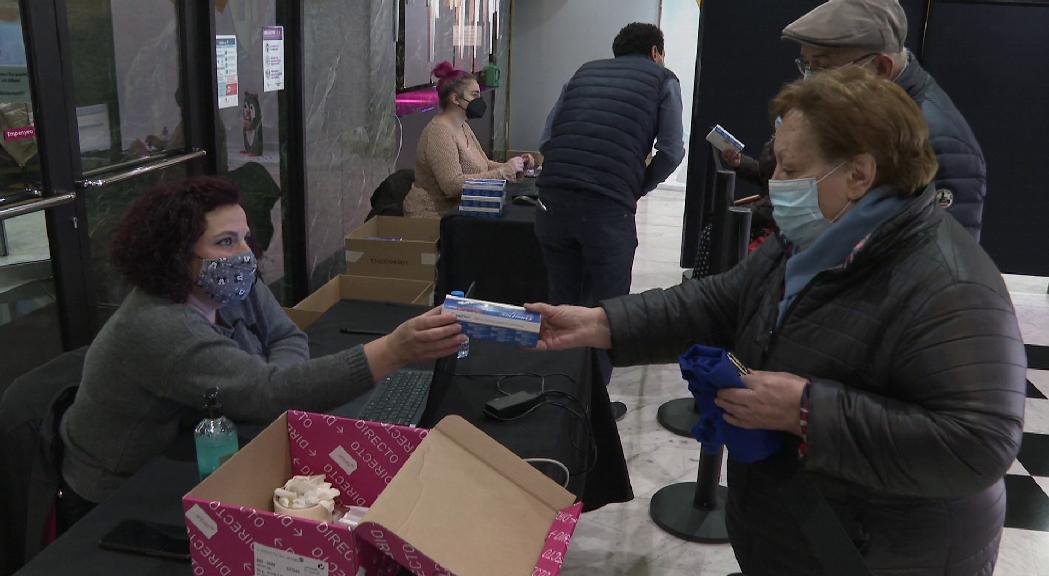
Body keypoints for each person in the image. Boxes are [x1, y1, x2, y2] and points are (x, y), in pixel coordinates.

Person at [526, 68, 1024, 575]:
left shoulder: (950, 283)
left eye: (789, 168)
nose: (773, 182)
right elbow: (723, 301)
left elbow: (980, 444)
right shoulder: (815, 238)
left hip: (880, 552)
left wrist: (807, 410)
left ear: (859, 174)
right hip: (796, 528)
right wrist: (604, 322)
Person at [58, 177, 465, 528]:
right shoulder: (158, 325)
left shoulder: (226, 283)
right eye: (225, 241)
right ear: (174, 254)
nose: (244, 253)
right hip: (122, 495)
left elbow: (287, 338)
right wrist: (393, 350)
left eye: (245, 237)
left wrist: (271, 386)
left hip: (193, 452)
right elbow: (270, 394)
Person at [723, 0, 987, 240]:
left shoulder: (940, 140)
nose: (810, 79)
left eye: (823, 66)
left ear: (880, 68)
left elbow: (944, 266)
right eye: (806, 65)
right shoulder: (855, 109)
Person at [535, 22, 685, 420]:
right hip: (606, 210)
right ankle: (592, 409)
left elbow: (547, 138)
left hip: (552, 201)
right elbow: (671, 150)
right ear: (655, 51)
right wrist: (635, 187)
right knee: (606, 311)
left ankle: (557, 395)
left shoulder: (584, 72)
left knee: (561, 302)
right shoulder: (663, 80)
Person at [402, 61, 533, 218]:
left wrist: (515, 167)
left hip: (459, 211)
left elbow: (485, 165)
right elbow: (452, 186)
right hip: (435, 216)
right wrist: (504, 172)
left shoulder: (462, 126)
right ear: (456, 99)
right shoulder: (439, 133)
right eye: (474, 95)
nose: (480, 100)